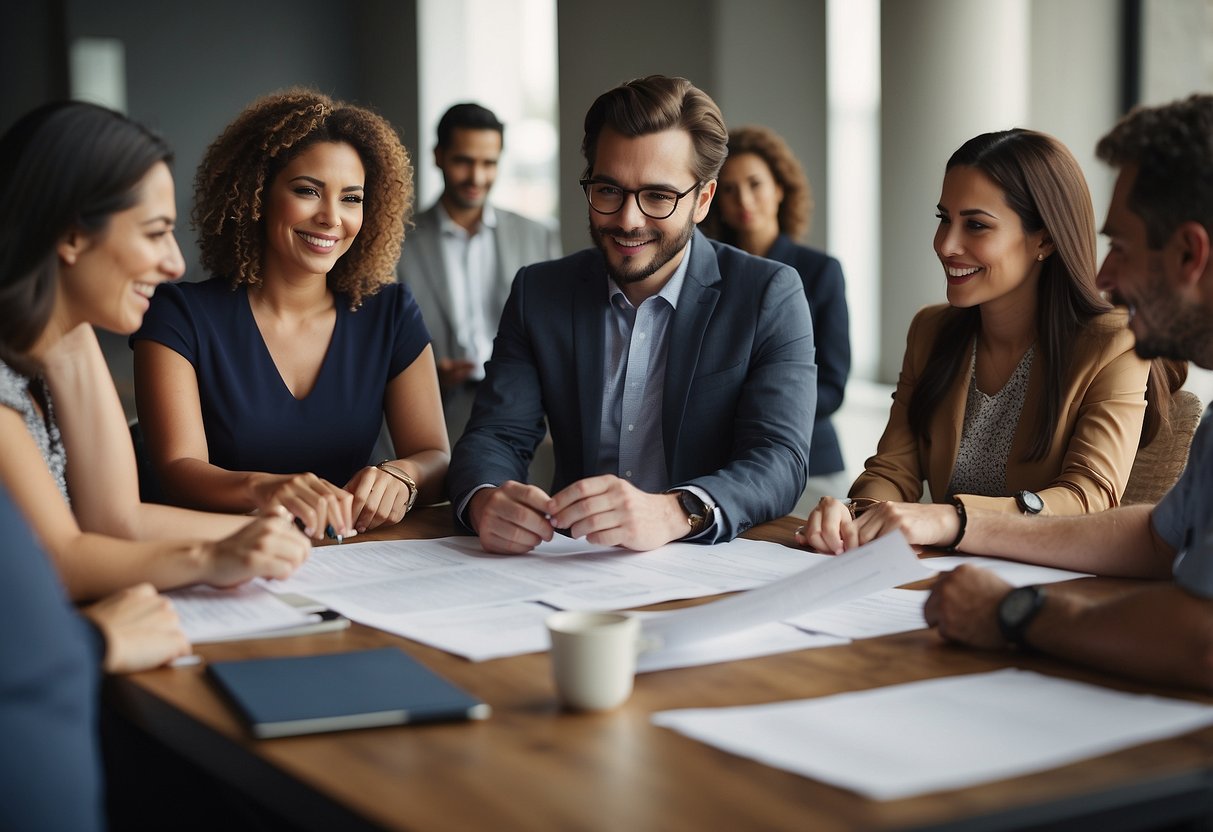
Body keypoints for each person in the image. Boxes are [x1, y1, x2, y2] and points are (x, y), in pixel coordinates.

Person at [448, 75, 815, 555]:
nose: (628, 219)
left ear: (703, 199)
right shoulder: (538, 291)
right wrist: (485, 500)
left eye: (658, 197)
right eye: (608, 190)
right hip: (572, 563)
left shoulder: (769, 293)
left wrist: (673, 510)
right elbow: (496, 435)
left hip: (709, 562)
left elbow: (779, 459)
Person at [919, 94, 1213, 692]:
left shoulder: (1104, 344)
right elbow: (1157, 538)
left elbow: (1202, 641)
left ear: (1189, 254)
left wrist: (1012, 613)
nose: (1104, 277)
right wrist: (956, 525)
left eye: (1122, 249)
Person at [797, 128, 1172, 556]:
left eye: (975, 225)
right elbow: (893, 469)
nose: (946, 244)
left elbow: (1088, 497)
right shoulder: (930, 330)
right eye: (943, 219)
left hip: (1047, 586)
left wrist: (953, 519)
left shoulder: (1113, 343)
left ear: (1044, 239)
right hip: (941, 577)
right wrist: (857, 512)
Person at [0, 100, 310, 602]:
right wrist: (211, 557)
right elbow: (58, 561)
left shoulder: (58, 346)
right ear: (73, 235)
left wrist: (281, 535)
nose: (175, 263)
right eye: (155, 232)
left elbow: (116, 520)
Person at [133, 89, 449, 537]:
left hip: (353, 557)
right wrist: (268, 490)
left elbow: (434, 455)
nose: (331, 217)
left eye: (352, 198)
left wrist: (404, 476)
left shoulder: (390, 312)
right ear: (256, 194)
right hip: (226, 560)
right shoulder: (179, 315)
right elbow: (177, 470)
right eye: (307, 191)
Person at [704, 124, 850, 502]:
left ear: (780, 188)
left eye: (755, 184)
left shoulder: (821, 271)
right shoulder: (707, 274)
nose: (744, 200)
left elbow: (833, 387)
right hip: (725, 466)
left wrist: (760, 407)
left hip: (809, 460)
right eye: (731, 189)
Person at [401, 102, 562, 444]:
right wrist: (425, 373)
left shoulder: (538, 234)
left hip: (526, 415)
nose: (477, 177)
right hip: (435, 417)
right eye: (463, 161)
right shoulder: (399, 241)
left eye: (489, 163)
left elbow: (554, 328)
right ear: (438, 156)